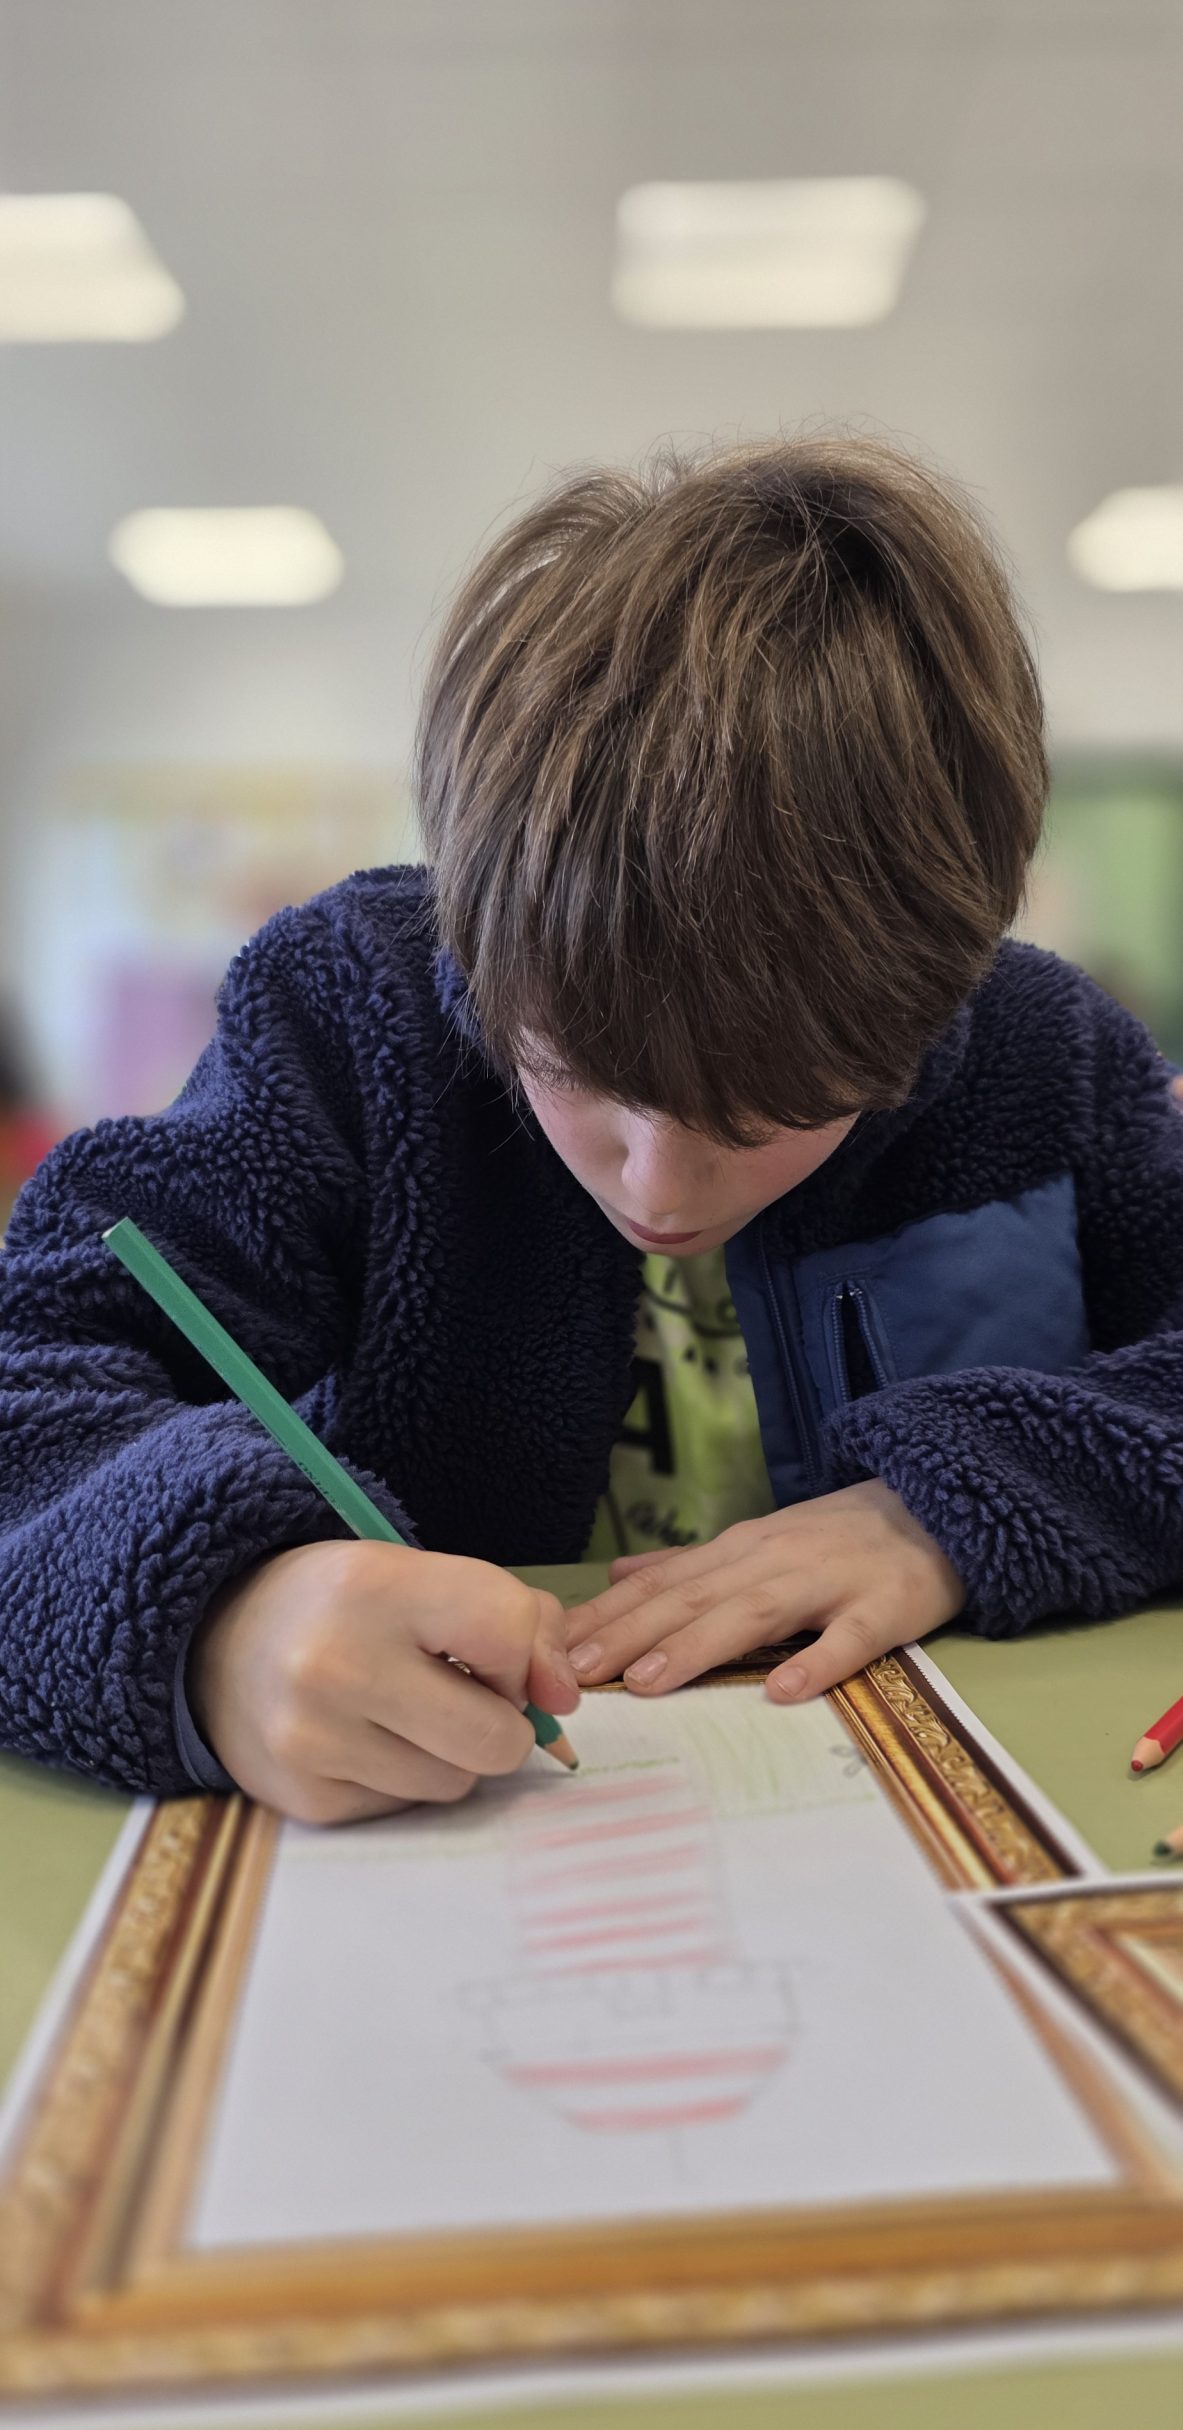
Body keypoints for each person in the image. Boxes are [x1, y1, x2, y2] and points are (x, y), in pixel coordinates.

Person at [3, 436, 1182, 1824]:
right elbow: (34, 1389)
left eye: (779, 1103)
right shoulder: (349, 1021)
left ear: (933, 997)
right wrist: (219, 1620)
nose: (660, 1184)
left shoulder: (1051, 1057)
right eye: (570, 1070)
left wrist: (958, 1499)